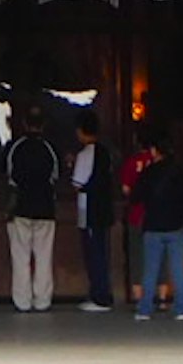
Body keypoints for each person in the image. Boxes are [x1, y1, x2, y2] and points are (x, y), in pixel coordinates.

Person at [129, 132, 183, 321]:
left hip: (153, 226)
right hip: (176, 226)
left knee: (150, 270)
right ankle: (181, 309)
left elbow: (136, 197)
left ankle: (145, 309)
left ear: (155, 151)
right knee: (178, 269)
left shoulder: (149, 172)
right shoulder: (181, 171)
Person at [3, 107, 61, 315]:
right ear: (43, 125)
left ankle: (22, 301)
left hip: (20, 207)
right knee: (44, 256)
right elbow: (56, 176)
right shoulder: (50, 148)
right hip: (45, 207)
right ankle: (43, 301)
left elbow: (9, 176)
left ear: (25, 124)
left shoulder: (14, 147)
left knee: (20, 257)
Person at [71, 108, 118, 314]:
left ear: (81, 131)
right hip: (104, 209)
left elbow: (78, 183)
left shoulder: (85, 154)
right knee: (102, 252)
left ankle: (99, 296)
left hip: (90, 210)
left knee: (94, 254)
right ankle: (102, 293)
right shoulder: (106, 152)